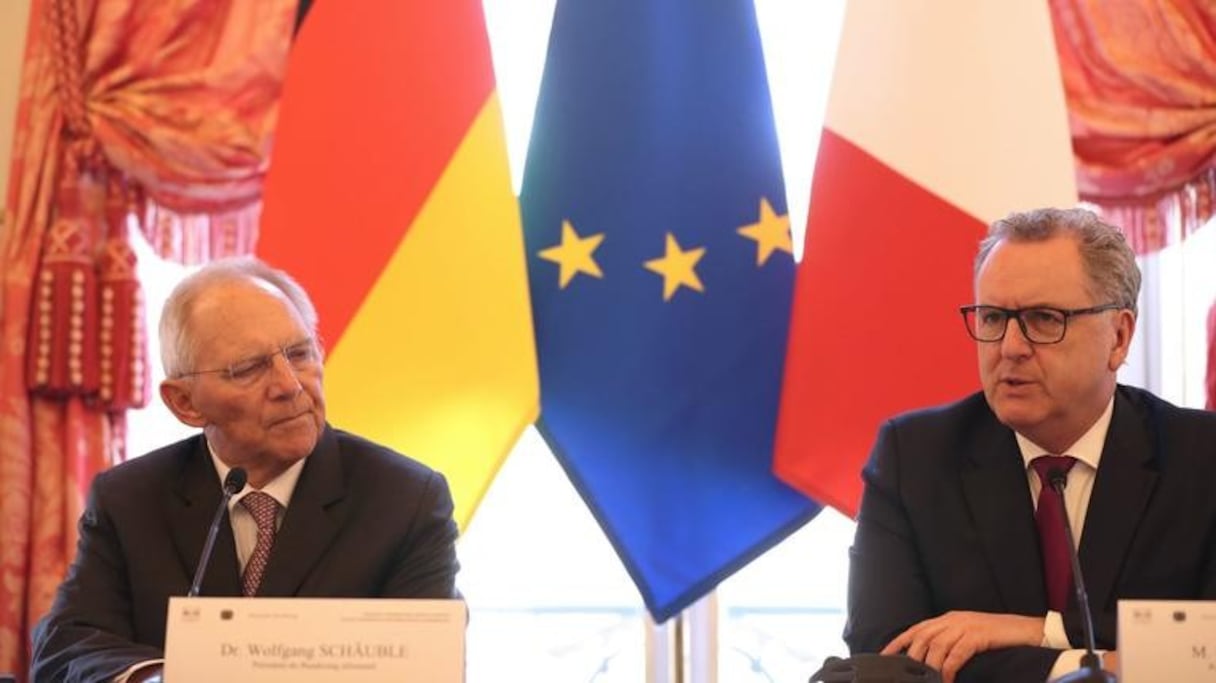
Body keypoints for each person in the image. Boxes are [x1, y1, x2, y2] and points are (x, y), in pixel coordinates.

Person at [30, 257, 460, 682]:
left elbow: (428, 666)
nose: (290, 385)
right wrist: (159, 679)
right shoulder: (130, 499)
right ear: (185, 402)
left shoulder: (405, 499)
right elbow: (67, 646)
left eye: (299, 353)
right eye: (249, 369)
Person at [844, 208, 1216, 683]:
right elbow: (886, 662)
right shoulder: (914, 458)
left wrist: (1039, 632)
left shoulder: (1201, 459)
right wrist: (1114, 665)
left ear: (1119, 337)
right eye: (994, 317)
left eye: (1044, 319)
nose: (1010, 346)